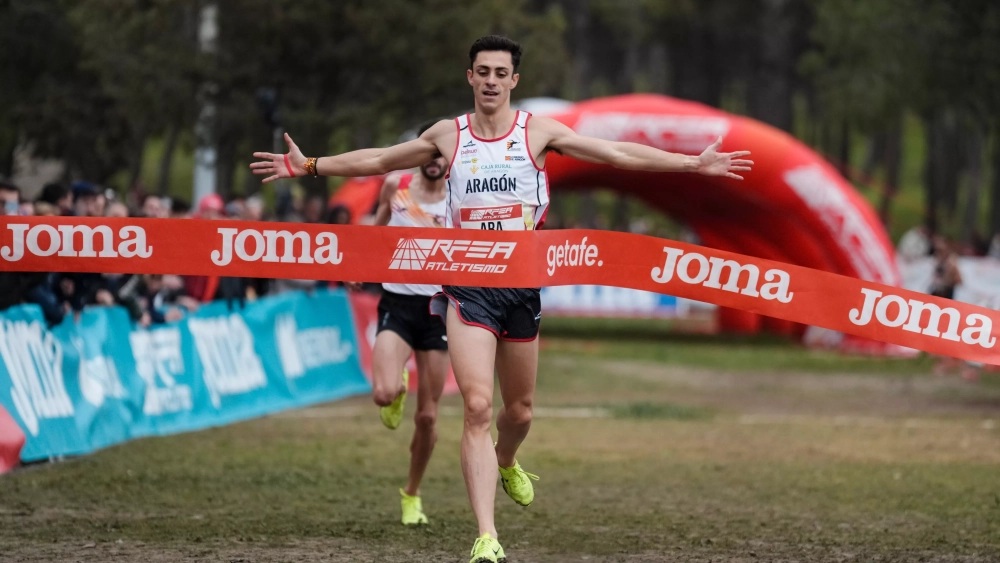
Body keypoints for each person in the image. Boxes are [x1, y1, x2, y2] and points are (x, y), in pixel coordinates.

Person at [251, 34, 753, 563]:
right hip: (466, 286)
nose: (490, 80)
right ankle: (487, 536)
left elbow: (615, 153)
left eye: (500, 73)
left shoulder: (538, 134)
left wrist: (691, 164)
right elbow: (379, 159)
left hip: (521, 288)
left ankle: (508, 460)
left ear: (514, 81)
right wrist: (310, 166)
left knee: (520, 411)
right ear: (470, 77)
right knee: (476, 406)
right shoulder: (449, 135)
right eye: (482, 71)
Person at [355, 146, 451, 526]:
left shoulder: (461, 196)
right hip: (397, 303)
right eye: (429, 153)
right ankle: (397, 386)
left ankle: (411, 493)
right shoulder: (395, 187)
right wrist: (357, 263)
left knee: (427, 417)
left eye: (442, 155)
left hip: (439, 310)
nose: (435, 160)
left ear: (450, 160)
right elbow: (376, 231)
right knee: (383, 393)